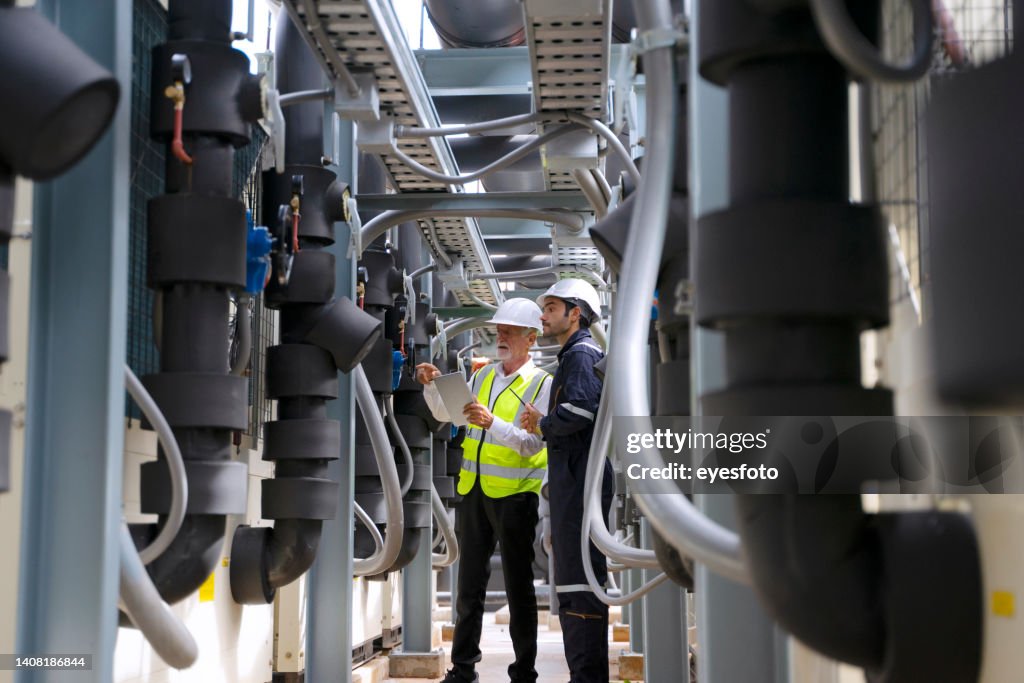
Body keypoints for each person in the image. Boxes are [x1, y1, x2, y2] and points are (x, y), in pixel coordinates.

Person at [415, 297, 552, 683]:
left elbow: (533, 444)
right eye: (499, 329)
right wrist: (432, 388)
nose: (501, 336)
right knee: (468, 585)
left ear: (531, 338)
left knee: (519, 587)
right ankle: (463, 670)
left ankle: (524, 672)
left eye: (510, 331)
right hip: (474, 490)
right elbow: (450, 415)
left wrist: (491, 423)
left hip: (515, 497)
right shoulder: (483, 376)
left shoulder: (542, 383)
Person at [521, 278, 612, 683]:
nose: (543, 315)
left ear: (576, 314)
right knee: (575, 579)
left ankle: (587, 678)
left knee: (581, 581)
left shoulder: (580, 355)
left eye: (553, 307)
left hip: (580, 481)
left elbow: (579, 414)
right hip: (574, 481)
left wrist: (542, 422)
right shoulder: (575, 355)